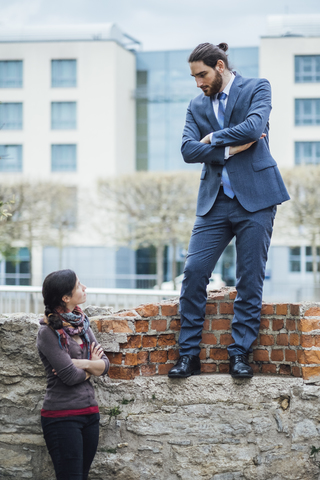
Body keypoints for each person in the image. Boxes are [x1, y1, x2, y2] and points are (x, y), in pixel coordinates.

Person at [168, 42, 290, 379]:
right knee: (193, 273)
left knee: (249, 279)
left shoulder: (257, 87)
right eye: (194, 77)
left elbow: (254, 128)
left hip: (257, 199)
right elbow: (187, 151)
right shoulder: (196, 105)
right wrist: (227, 149)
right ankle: (188, 355)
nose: (198, 83)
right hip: (214, 202)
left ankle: (239, 354)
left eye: (202, 75)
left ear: (220, 66)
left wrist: (211, 138)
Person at [37, 269, 109, 480]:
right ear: (65, 297)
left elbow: (105, 365)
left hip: (90, 414)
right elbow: (69, 377)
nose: (84, 288)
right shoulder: (47, 332)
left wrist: (83, 363)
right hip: (62, 417)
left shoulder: (83, 324)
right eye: (79, 285)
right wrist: (91, 367)